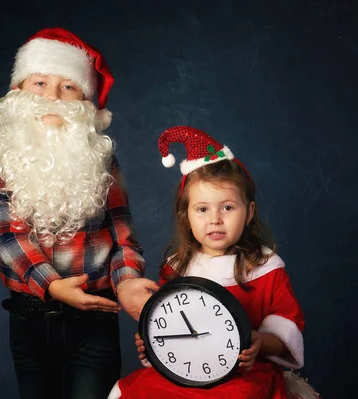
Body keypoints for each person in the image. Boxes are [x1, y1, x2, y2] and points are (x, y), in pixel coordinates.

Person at [0, 27, 159, 399]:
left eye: (68, 86)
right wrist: (53, 286)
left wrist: (129, 281)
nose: (52, 97)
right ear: (17, 92)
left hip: (94, 319)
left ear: (85, 101)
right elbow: (7, 235)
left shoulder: (101, 159)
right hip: (29, 318)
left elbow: (122, 232)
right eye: (39, 82)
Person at [108, 126, 305, 399]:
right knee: (137, 391)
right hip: (188, 373)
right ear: (186, 215)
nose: (215, 219)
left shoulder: (265, 268)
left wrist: (261, 343)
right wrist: (153, 341)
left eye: (227, 207)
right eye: (202, 209)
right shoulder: (176, 268)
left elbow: (286, 333)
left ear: (249, 213)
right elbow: (170, 329)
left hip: (243, 375)